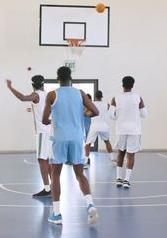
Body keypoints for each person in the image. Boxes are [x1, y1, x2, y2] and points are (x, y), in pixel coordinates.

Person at [42, 66, 99, 225]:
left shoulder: (52, 94)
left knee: (55, 175)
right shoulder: (80, 93)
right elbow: (95, 111)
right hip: (76, 138)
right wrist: (80, 114)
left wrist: (55, 119)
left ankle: (57, 214)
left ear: (57, 78)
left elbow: (44, 120)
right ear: (71, 77)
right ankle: (90, 204)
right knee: (80, 174)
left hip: (59, 138)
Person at [6, 75, 53, 197]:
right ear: (43, 84)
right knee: (47, 160)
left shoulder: (36, 95)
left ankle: (48, 189)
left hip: (42, 132)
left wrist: (10, 87)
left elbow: (22, 98)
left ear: (33, 85)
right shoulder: (48, 95)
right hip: (50, 131)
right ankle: (53, 187)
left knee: (42, 160)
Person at [109, 76, 147, 189]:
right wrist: (135, 114)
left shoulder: (115, 98)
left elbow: (111, 115)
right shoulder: (138, 98)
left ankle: (118, 179)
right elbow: (144, 114)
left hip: (121, 129)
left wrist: (118, 117)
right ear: (133, 85)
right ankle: (126, 180)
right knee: (131, 154)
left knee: (121, 153)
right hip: (134, 130)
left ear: (122, 85)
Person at [85, 90, 115, 167]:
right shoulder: (107, 104)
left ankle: (85, 162)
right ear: (102, 97)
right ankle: (113, 160)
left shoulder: (92, 104)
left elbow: (85, 113)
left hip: (94, 126)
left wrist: (87, 112)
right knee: (107, 142)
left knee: (88, 144)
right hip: (104, 126)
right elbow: (114, 112)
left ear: (95, 96)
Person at [83, 94, 92, 169]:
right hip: (81, 128)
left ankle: (87, 158)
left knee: (87, 144)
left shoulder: (91, 107)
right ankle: (84, 158)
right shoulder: (81, 106)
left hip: (89, 128)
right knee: (81, 144)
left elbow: (90, 114)